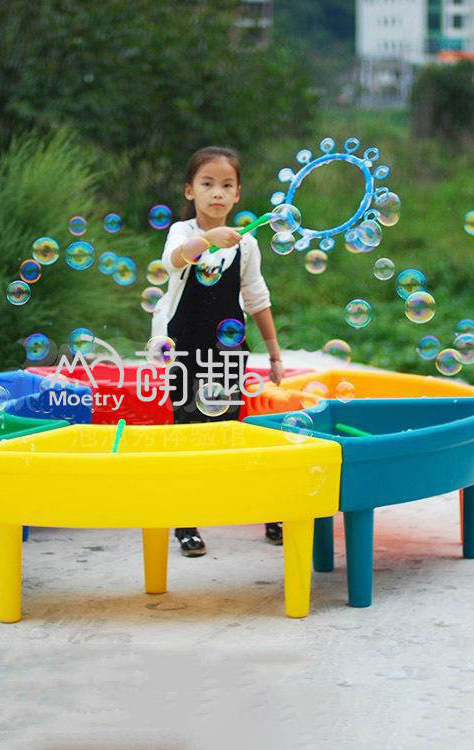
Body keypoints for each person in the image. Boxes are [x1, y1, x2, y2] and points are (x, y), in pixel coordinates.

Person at [151, 146, 285, 557]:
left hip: (227, 350)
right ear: (189, 190)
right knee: (186, 431)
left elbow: (257, 298)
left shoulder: (247, 245)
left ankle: (264, 510)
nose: (217, 193)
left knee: (229, 430)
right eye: (207, 184)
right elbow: (173, 261)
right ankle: (185, 523)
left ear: (238, 194)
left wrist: (274, 354)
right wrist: (207, 240)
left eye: (227, 185)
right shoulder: (182, 232)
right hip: (183, 347)